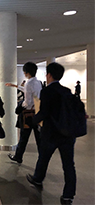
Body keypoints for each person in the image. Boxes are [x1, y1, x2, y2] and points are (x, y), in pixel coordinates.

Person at [26, 62, 77, 205]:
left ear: (48, 75)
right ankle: (68, 195)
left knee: (44, 157)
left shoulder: (47, 91)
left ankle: (37, 178)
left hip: (51, 133)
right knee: (68, 165)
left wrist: (33, 121)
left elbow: (44, 112)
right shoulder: (67, 91)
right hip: (67, 134)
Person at [5, 62, 42, 164]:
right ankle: (42, 156)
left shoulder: (28, 83)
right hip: (37, 112)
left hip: (28, 115)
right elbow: (30, 92)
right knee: (39, 137)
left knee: (23, 137)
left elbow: (27, 101)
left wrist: (21, 106)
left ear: (27, 72)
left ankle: (18, 156)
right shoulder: (38, 82)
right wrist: (15, 86)